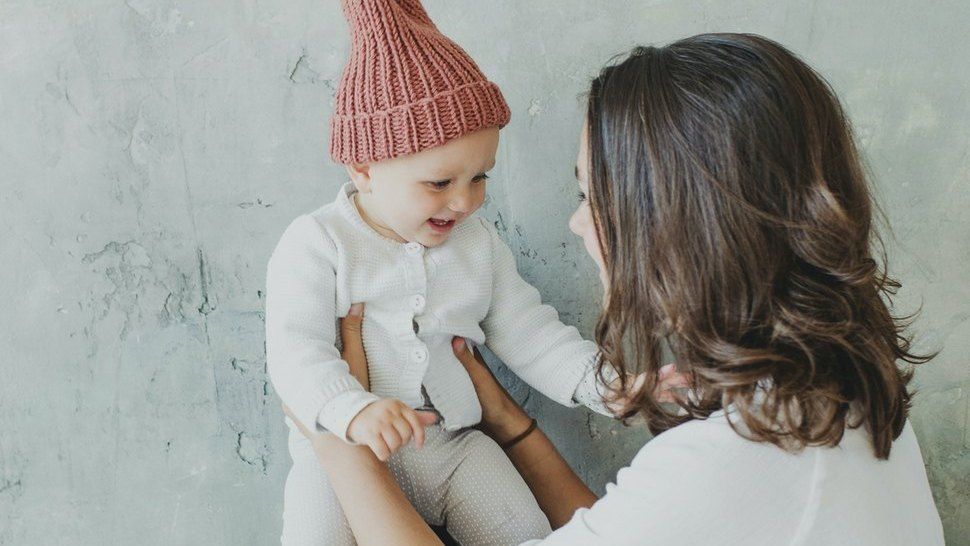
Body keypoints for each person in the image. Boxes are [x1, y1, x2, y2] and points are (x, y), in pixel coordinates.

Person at [284, 33, 946, 545]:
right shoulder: (839, 399)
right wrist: (516, 430)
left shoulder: (747, 454)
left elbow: (678, 498)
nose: (577, 223)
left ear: (673, 221)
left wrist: (331, 433)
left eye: (591, 194)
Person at [264, 1, 638, 544]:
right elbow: (294, 353)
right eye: (439, 183)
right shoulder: (318, 243)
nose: (464, 203)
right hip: (343, 452)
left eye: (480, 177)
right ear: (364, 169)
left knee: (525, 530)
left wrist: (605, 387)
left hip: (453, 445)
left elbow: (527, 329)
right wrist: (349, 410)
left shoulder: (477, 246)